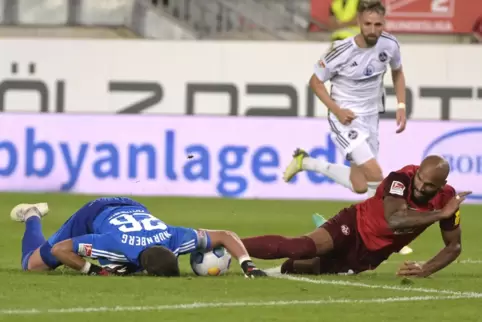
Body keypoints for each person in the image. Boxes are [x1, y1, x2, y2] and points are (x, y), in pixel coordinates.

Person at [284, 0, 411, 254]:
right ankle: (389, 232)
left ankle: (306, 163)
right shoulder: (341, 51)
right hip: (345, 120)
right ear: (359, 23)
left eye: (378, 24)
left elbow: (397, 71)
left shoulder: (390, 44)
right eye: (368, 24)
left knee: (360, 186)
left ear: (383, 23)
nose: (373, 29)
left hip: (371, 118)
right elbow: (315, 82)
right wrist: (338, 110)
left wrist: (401, 105)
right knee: (376, 175)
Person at [243, 155, 468, 277]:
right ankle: (228, 244)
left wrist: (426, 269)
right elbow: (395, 219)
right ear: (416, 172)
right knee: (302, 248)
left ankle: (278, 271)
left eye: (429, 186)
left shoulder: (447, 201)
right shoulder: (401, 178)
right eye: (420, 179)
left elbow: (453, 246)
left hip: (372, 253)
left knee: (306, 267)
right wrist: (440, 214)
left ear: (442, 186)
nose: (419, 187)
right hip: (354, 224)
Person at [13, 197, 267, 278]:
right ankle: (32, 214)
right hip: (94, 213)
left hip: (132, 206)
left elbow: (224, 235)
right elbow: (60, 249)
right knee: (33, 264)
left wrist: (248, 264)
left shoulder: (173, 237)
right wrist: (92, 271)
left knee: (119, 267)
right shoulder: (113, 246)